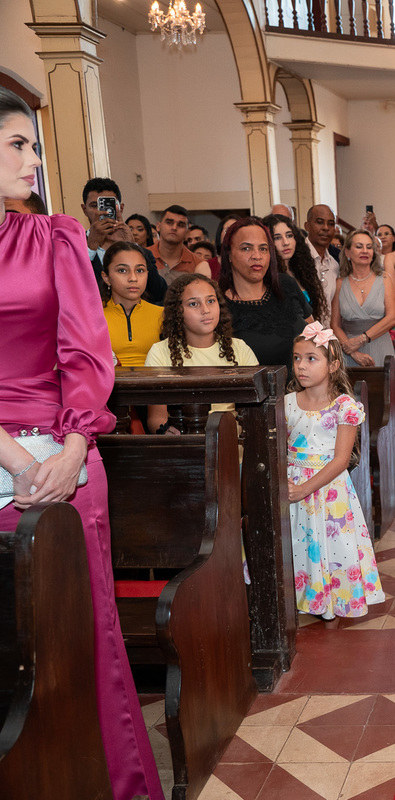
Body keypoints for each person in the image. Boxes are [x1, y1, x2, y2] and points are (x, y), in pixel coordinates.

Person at [0, 88, 164, 800]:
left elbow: (88, 356)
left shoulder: (52, 237)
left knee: (81, 640)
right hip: (11, 455)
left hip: (63, 455)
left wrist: (69, 452)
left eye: (34, 145)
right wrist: (12, 457)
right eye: (16, 144)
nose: (34, 159)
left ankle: (111, 785)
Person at [286, 323, 386, 625]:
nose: (301, 366)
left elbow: (342, 460)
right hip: (291, 485)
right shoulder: (287, 403)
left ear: (333, 364)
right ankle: (299, 598)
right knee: (297, 544)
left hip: (328, 491)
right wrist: (287, 481)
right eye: (296, 358)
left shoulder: (345, 407)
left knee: (328, 547)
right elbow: (279, 447)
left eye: (311, 359)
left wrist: (304, 489)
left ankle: (330, 599)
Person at [145, 274, 259, 434]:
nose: (205, 310)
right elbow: (156, 417)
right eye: (193, 304)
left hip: (234, 446)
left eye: (211, 301)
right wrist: (167, 432)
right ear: (178, 311)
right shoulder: (160, 352)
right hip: (185, 445)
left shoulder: (239, 348)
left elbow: (254, 412)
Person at [220, 217, 312, 366]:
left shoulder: (286, 285)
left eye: (263, 248)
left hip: (301, 387)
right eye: (246, 248)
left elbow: (315, 336)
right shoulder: (217, 305)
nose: (257, 256)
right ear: (229, 254)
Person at [332, 228, 395, 367]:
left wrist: (362, 339)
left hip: (380, 347)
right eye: (359, 246)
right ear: (348, 252)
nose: (365, 251)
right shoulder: (339, 283)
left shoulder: (385, 279)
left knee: (383, 388)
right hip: (349, 351)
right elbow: (335, 324)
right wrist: (352, 352)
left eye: (369, 247)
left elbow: (392, 318)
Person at [100, 242, 163, 367]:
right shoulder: (92, 317)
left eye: (140, 270)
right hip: (106, 385)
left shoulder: (163, 315)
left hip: (156, 384)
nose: (133, 278)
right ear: (106, 277)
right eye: (122, 270)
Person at [264, 213, 329, 324]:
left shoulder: (302, 271)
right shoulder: (268, 278)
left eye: (289, 235)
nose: (286, 242)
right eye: (277, 238)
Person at [151, 204, 209, 284]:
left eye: (180, 225)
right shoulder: (143, 256)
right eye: (169, 222)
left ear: (187, 232)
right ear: (158, 226)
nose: (174, 228)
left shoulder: (198, 264)